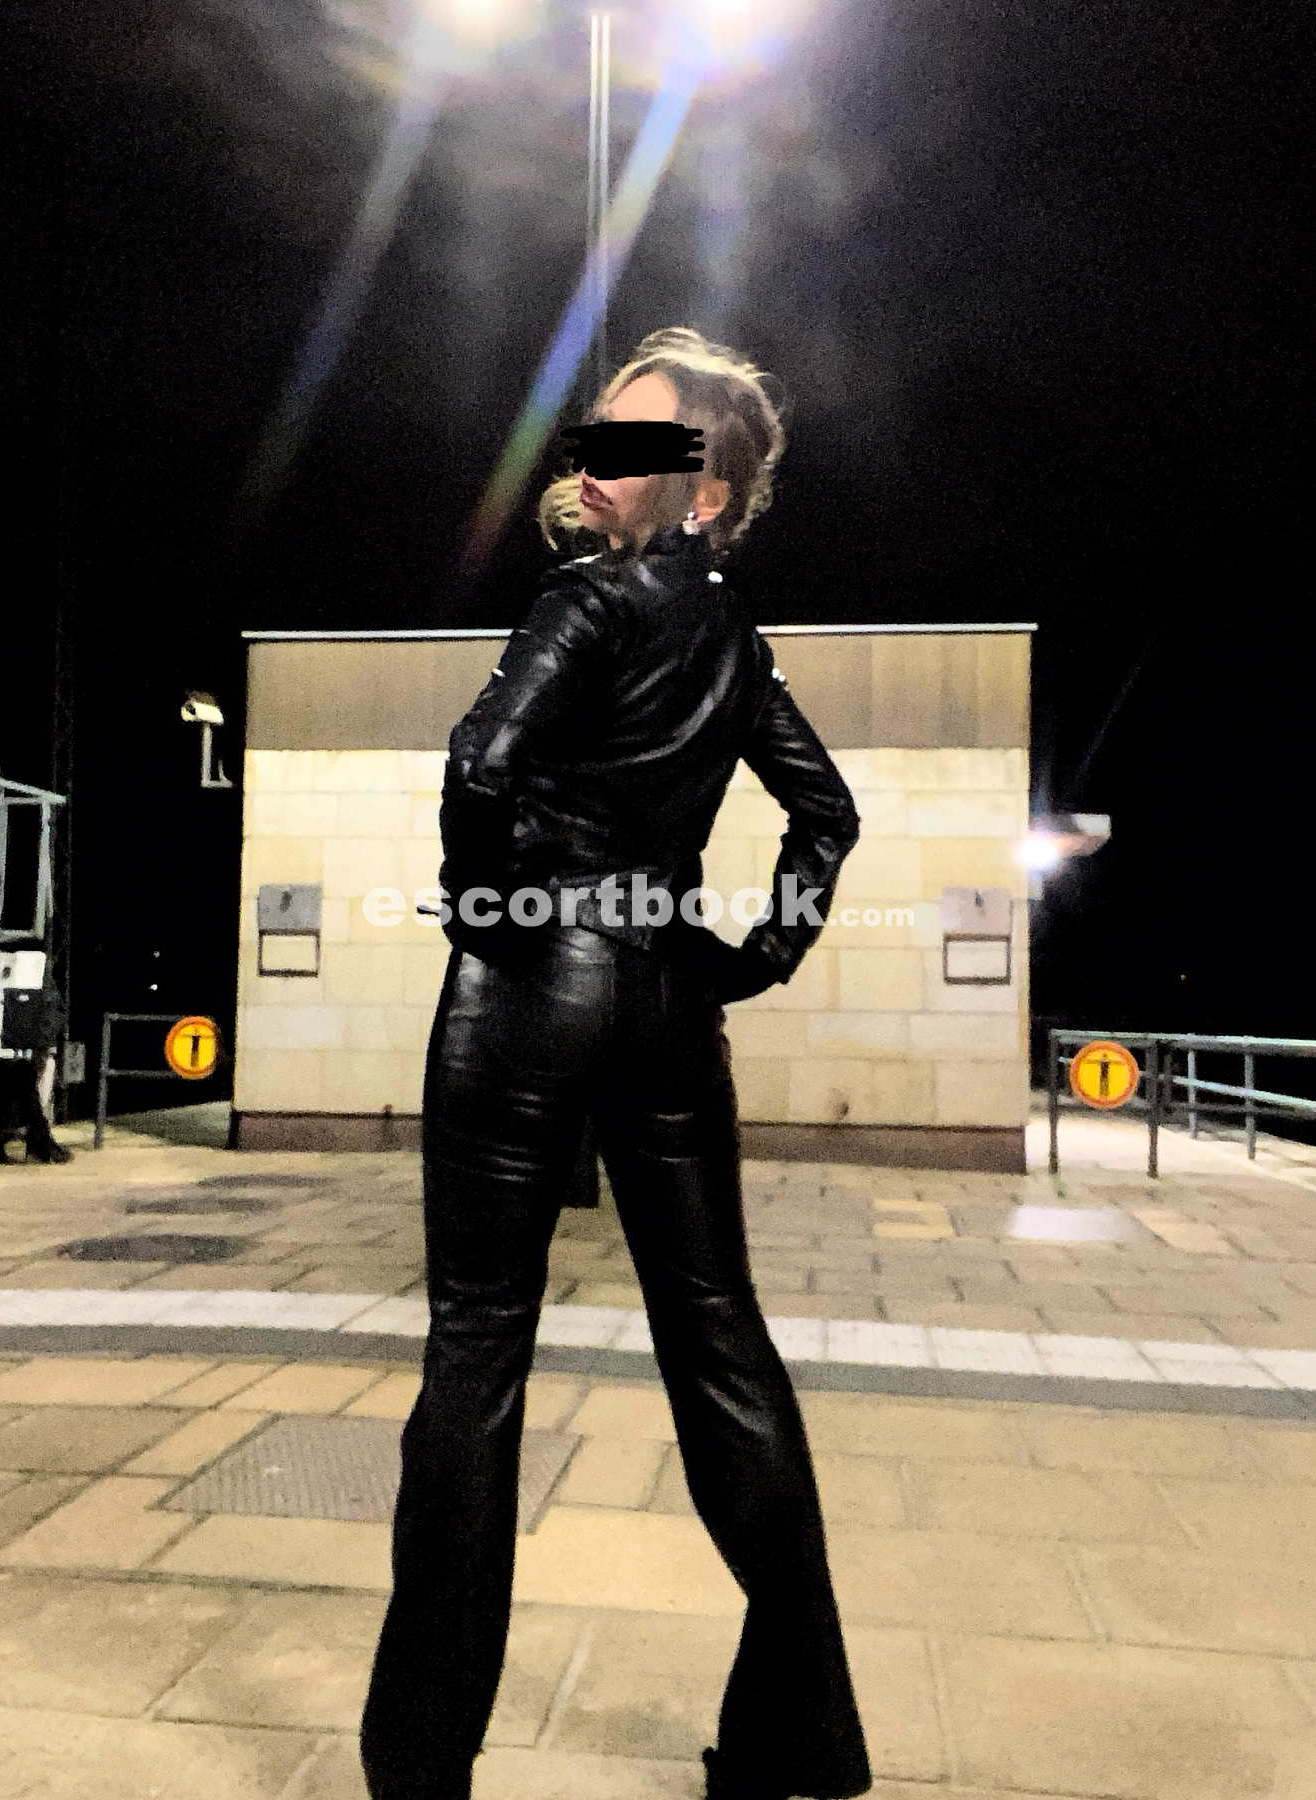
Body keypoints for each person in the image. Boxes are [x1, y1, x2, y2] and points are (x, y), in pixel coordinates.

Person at [360, 327, 872, 1800]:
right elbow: (827, 817)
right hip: (665, 1005)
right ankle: (797, 1741)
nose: (593, 459)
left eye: (634, 444)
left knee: (476, 1349)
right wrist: (748, 959)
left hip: (529, 992)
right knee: (718, 1340)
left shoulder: (583, 599)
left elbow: (480, 762)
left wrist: (483, 905)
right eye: (596, 432)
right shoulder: (736, 645)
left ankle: (421, 1770)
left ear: (702, 493)